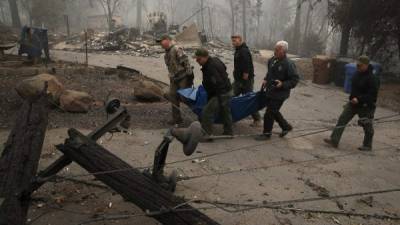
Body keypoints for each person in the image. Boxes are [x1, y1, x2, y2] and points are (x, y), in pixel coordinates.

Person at [324, 56, 379, 151]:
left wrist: (360, 99)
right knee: (342, 119)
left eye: (360, 65)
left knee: (367, 125)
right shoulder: (357, 74)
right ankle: (334, 140)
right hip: (353, 103)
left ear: (366, 65)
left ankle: (367, 145)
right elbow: (353, 88)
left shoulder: (373, 78)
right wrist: (352, 98)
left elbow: (372, 95)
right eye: (357, 65)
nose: (358, 67)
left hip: (366, 106)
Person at [255, 41, 299, 141]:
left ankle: (266, 134)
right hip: (270, 91)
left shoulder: (289, 64)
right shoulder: (272, 60)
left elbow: (295, 80)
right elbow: (269, 72)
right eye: (275, 49)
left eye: (278, 50)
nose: (275, 51)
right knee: (274, 111)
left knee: (269, 113)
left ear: (284, 51)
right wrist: (266, 79)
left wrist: (283, 84)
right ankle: (286, 127)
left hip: (280, 94)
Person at [193, 48, 233, 138]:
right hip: (226, 90)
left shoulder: (211, 67)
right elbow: (224, 68)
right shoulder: (215, 60)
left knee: (206, 112)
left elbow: (218, 82)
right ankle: (229, 132)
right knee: (225, 112)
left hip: (221, 93)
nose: (197, 61)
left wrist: (219, 97)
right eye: (196, 59)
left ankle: (207, 134)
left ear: (205, 57)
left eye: (198, 59)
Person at [159, 35, 194, 126]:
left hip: (183, 76)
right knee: (173, 97)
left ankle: (199, 112)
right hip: (174, 78)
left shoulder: (176, 49)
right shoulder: (167, 53)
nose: (160, 44)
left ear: (167, 40)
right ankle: (177, 119)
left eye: (161, 41)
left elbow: (185, 60)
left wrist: (189, 74)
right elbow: (170, 67)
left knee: (185, 97)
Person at [231, 35, 262, 127]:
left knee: (248, 99)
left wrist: (243, 82)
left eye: (235, 40)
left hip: (245, 81)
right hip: (238, 80)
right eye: (232, 41)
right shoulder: (238, 50)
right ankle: (232, 117)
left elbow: (246, 67)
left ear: (240, 40)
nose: (233, 42)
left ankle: (257, 119)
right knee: (230, 96)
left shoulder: (244, 51)